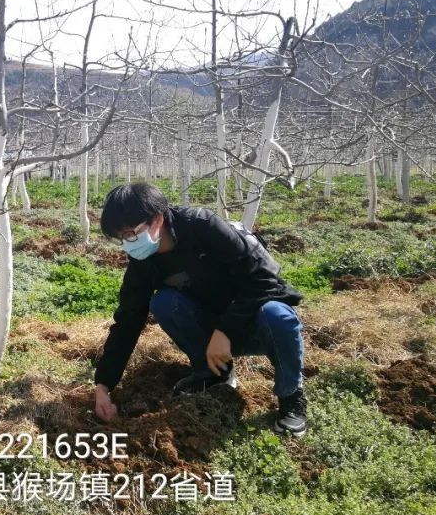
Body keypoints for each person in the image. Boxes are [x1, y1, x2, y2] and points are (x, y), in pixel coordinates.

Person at [92, 183, 308, 436]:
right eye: (121, 238)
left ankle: (291, 396)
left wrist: (224, 332)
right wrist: (103, 386)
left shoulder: (202, 226)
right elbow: (128, 319)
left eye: (131, 233)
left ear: (158, 219)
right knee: (164, 303)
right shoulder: (144, 261)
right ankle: (215, 374)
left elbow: (264, 280)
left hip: (254, 321)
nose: (128, 244)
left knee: (278, 315)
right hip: (210, 327)